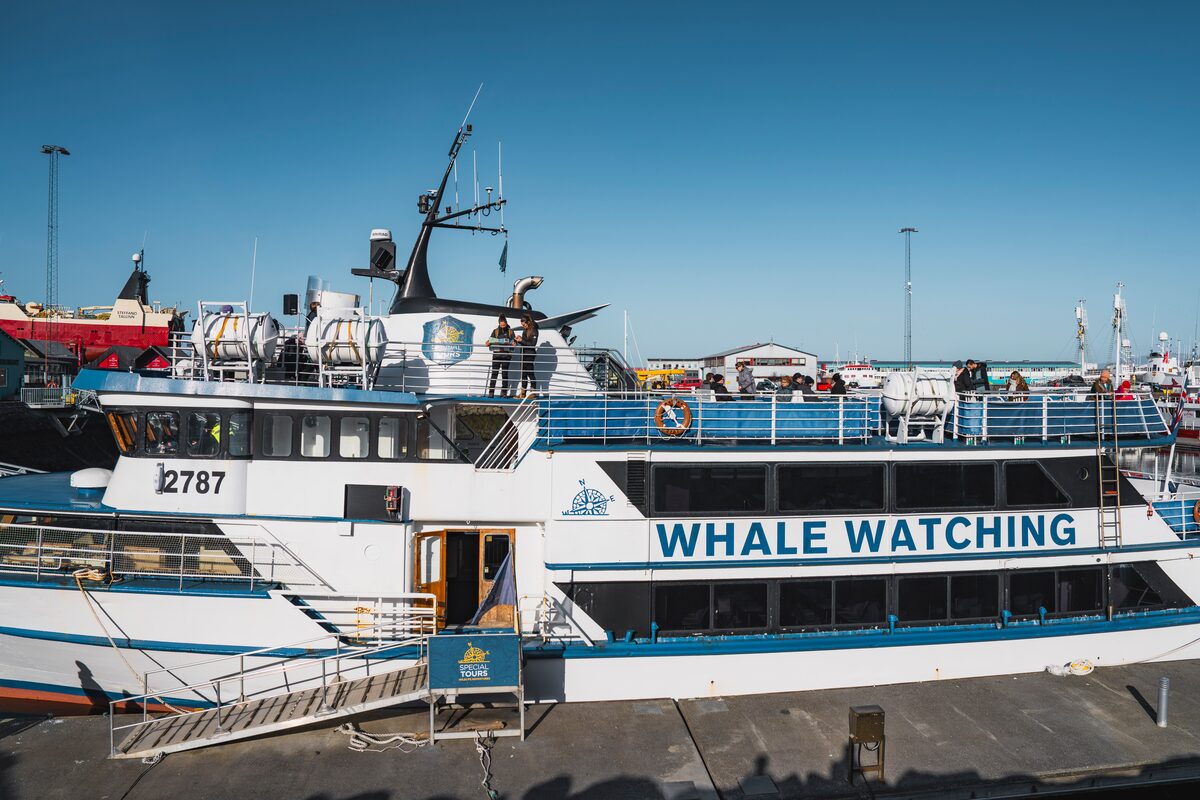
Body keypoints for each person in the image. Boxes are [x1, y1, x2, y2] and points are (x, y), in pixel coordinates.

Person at [485, 314, 515, 397]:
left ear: (506, 323)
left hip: (506, 355)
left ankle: (504, 392)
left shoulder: (510, 331)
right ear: (499, 323)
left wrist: (513, 342)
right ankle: (491, 392)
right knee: (494, 374)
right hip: (497, 355)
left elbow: (514, 342)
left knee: (505, 374)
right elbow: (489, 341)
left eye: (504, 325)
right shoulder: (495, 331)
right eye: (501, 325)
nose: (502, 327)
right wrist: (490, 342)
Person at [515, 313, 540, 397]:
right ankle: (523, 393)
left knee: (530, 373)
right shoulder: (525, 330)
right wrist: (519, 340)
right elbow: (524, 342)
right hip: (524, 354)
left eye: (524, 324)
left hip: (530, 355)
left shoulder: (534, 330)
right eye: (522, 325)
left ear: (528, 322)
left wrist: (521, 340)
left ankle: (533, 392)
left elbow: (532, 344)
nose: (523, 326)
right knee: (523, 374)